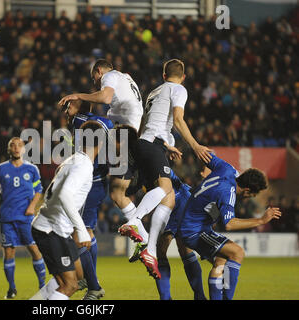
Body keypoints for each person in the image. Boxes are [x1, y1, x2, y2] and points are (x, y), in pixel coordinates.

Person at [118, 59, 211, 279]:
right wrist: (195, 145)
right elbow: (178, 119)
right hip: (151, 145)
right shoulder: (178, 89)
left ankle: (150, 251)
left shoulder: (154, 92)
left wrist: (166, 146)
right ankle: (134, 220)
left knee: (167, 199)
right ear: (184, 76)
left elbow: (148, 124)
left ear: (163, 75)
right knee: (166, 187)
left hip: (145, 144)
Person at [58, 59, 144, 238]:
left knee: (116, 197)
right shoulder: (125, 78)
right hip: (131, 134)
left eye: (94, 78)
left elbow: (105, 97)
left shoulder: (110, 76)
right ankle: (144, 238)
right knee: (116, 195)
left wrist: (79, 95)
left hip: (125, 139)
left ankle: (145, 238)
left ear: (99, 71)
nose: (95, 83)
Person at [177, 153, 281, 300]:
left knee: (221, 261)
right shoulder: (228, 193)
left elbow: (206, 155)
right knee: (237, 252)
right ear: (247, 191)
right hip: (195, 230)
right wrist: (261, 220)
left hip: (194, 225)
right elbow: (230, 224)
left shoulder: (228, 169)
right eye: (253, 195)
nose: (250, 197)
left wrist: (197, 151)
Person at [30, 120, 104, 300]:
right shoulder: (84, 165)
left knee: (78, 277)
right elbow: (64, 195)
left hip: (54, 228)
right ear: (100, 143)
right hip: (52, 230)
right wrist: (81, 230)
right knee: (69, 285)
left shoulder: (72, 159)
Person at [0, 137, 46, 299]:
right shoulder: (0, 169)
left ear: (23, 149)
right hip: (7, 218)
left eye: (19, 145)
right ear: (9, 150)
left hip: (27, 219)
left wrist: (32, 207)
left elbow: (39, 190)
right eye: (12, 145)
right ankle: (12, 288)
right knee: (9, 252)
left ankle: (43, 286)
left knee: (35, 250)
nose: (16, 148)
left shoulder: (32, 169)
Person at [129, 167, 209, 300]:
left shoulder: (150, 163)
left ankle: (167, 297)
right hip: (182, 200)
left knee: (160, 251)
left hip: (174, 203)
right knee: (185, 250)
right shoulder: (146, 164)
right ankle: (199, 296)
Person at [64, 100, 113, 299]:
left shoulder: (82, 120)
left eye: (70, 106)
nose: (66, 109)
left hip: (90, 184)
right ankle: (88, 278)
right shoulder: (78, 122)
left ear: (80, 108)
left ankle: (93, 285)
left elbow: (106, 125)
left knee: (79, 235)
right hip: (95, 183)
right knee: (87, 232)